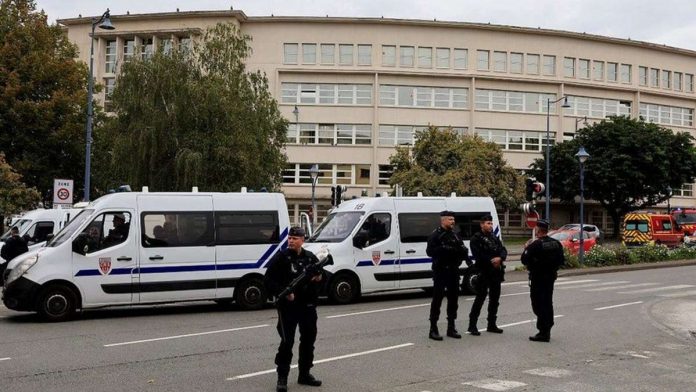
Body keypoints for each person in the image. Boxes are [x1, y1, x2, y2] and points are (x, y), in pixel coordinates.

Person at [264, 226, 324, 392]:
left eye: (295, 238)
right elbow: (268, 279)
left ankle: (304, 373)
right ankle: (282, 377)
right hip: (288, 307)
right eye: (290, 238)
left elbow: (323, 278)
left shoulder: (310, 258)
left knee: (308, 341)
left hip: (307, 307)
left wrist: (319, 277)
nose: (291, 241)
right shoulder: (282, 258)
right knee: (287, 342)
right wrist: (283, 293)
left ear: (302, 240)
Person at [426, 210, 470, 340]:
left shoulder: (455, 235)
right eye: (450, 219)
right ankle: (433, 329)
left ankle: (451, 327)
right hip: (441, 271)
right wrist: (444, 249)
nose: (453, 222)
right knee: (437, 300)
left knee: (453, 300)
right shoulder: (435, 235)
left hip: (453, 271)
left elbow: (462, 250)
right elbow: (430, 252)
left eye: (453, 219)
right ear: (443, 220)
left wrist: (463, 253)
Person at [521, 219, 565, 342]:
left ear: (538, 230)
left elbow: (524, 259)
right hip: (550, 278)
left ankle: (543, 331)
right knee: (547, 302)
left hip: (538, 278)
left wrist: (526, 248)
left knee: (538, 304)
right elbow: (561, 261)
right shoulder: (556, 243)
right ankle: (547, 328)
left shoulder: (535, 245)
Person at [467, 214, 508, 336]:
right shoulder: (476, 238)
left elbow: (503, 249)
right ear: (481, 224)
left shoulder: (494, 237)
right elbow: (478, 255)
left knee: (495, 300)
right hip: (484, 272)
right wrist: (492, 260)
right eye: (488, 223)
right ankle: (472, 325)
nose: (490, 225)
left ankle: (491, 324)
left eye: (491, 223)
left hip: (496, 273)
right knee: (480, 298)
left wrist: (500, 258)